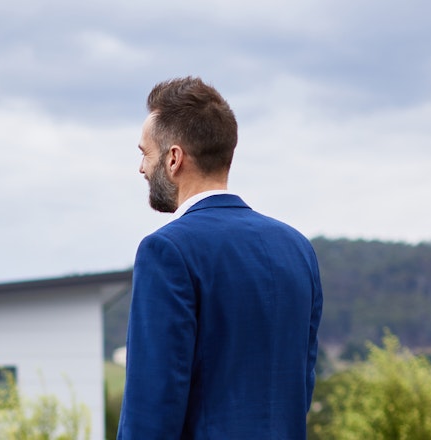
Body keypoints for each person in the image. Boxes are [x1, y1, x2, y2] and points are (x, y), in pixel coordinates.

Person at [117, 77, 324, 439]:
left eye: (144, 153)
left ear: (174, 159)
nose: (141, 168)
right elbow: (299, 391)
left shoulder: (166, 251)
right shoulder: (297, 250)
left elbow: (152, 407)